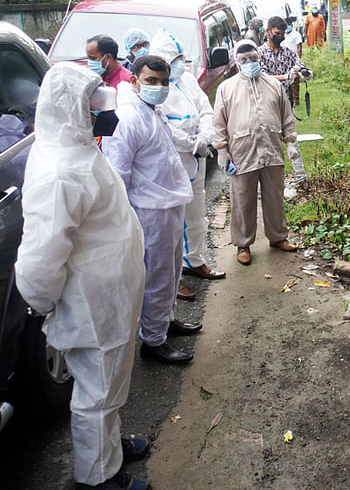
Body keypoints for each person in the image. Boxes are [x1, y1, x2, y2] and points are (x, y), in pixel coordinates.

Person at [14, 62, 151, 490]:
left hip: (109, 293)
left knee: (109, 382)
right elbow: (40, 256)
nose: (99, 111)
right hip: (92, 302)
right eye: (90, 105)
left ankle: (107, 448)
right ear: (69, 108)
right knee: (96, 391)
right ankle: (97, 476)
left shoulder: (75, 149)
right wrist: (42, 301)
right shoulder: (60, 170)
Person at [104, 55, 201, 364]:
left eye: (163, 82)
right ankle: (153, 341)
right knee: (157, 275)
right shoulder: (128, 118)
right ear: (134, 81)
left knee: (171, 271)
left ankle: (164, 321)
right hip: (149, 210)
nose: (159, 87)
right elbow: (118, 175)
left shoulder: (151, 111)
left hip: (168, 204)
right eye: (151, 81)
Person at [149, 29, 225, 302]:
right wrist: (189, 141)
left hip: (198, 157)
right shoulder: (156, 88)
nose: (181, 63)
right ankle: (174, 277)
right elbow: (163, 125)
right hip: (174, 162)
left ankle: (194, 261)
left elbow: (206, 110)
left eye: (182, 58)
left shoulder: (188, 80)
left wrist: (204, 137)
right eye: (176, 58)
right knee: (171, 224)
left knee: (196, 214)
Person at [212, 39, 298, 265]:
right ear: (237, 62)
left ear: (259, 58)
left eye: (253, 58)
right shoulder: (226, 88)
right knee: (242, 200)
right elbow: (219, 123)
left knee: (275, 198)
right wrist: (222, 150)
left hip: (271, 150)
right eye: (244, 60)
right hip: (242, 153)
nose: (249, 63)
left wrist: (290, 142)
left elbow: (286, 116)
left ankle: (278, 237)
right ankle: (243, 244)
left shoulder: (273, 84)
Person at [258, 16, 312, 185]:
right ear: (268, 32)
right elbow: (263, 77)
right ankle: (270, 182)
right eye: (277, 33)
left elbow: (300, 64)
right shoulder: (259, 53)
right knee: (269, 142)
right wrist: (286, 76)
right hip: (266, 104)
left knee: (292, 139)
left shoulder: (287, 52)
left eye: (282, 34)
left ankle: (301, 178)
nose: (280, 37)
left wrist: (304, 73)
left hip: (285, 102)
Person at [281, 17, 304, 107]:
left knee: (295, 81)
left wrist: (298, 59)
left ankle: (296, 100)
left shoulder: (296, 34)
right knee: (286, 80)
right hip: (283, 61)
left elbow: (299, 47)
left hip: (293, 60)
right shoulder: (282, 35)